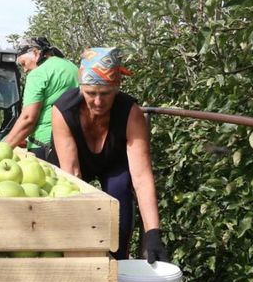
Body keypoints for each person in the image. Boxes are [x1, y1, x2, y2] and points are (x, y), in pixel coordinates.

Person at [49, 47, 168, 262]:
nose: (97, 102)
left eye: (105, 94)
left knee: (119, 195)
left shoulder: (130, 113)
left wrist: (153, 233)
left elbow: (141, 177)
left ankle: (119, 266)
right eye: (90, 93)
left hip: (114, 162)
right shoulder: (63, 111)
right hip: (74, 165)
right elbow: (72, 174)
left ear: (117, 87)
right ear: (81, 88)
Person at [3, 37, 78, 160]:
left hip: (45, 146)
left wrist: (3, 149)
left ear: (36, 53)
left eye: (23, 64)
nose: (25, 70)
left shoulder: (38, 74)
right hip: (73, 142)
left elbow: (28, 119)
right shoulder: (72, 67)